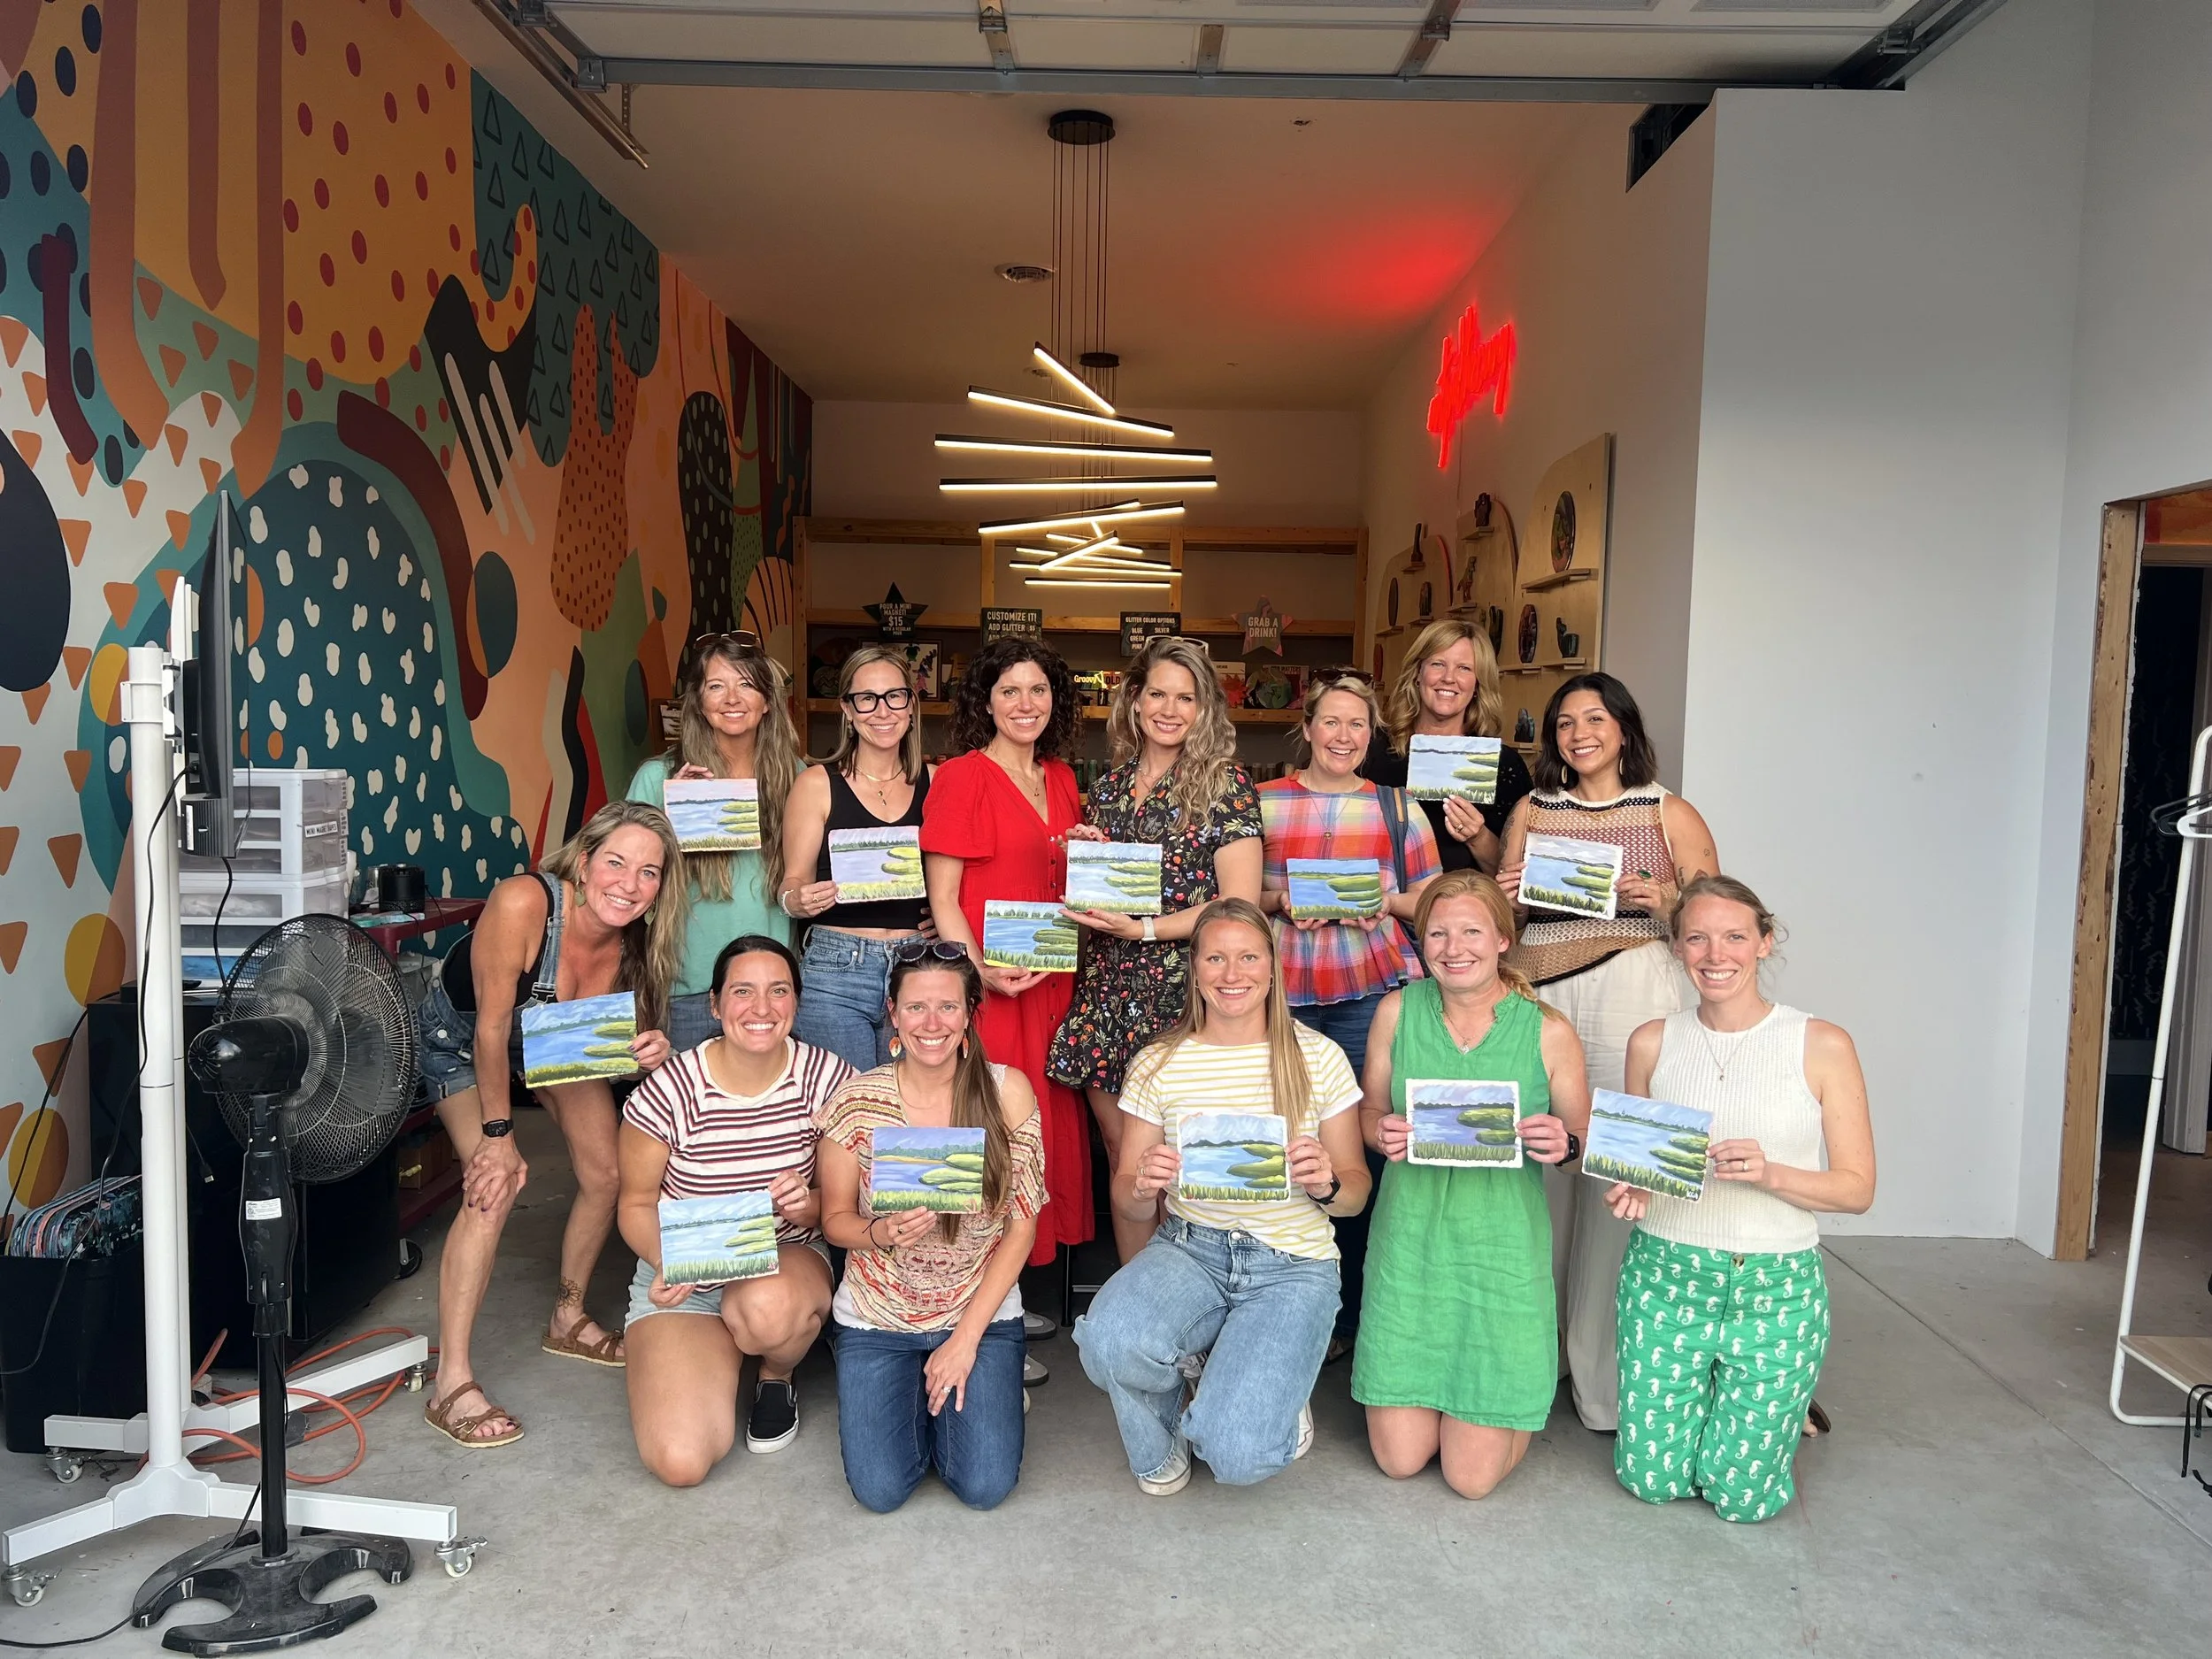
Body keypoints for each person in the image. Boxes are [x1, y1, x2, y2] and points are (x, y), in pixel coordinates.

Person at [1074, 899, 1371, 1494]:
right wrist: (1142, 1185)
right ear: (1195, 968)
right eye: (1215, 958)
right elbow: (1129, 1204)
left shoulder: (1318, 1056)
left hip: (1293, 1263)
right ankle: (1166, 1440)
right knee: (1108, 1342)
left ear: (1272, 968)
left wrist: (1327, 1183)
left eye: (1248, 957)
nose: (1231, 973)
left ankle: (1253, 1393)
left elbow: (1356, 1193)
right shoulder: (1158, 1062)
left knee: (1236, 1457)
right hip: (1191, 1249)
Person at [1604, 875, 1874, 1523]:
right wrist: (1635, 1184)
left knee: (1745, 1501)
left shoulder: (1822, 1043)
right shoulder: (1651, 1041)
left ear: (1764, 941)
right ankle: (1750, 1405)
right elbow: (1643, 1164)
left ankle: (1776, 1404)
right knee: (1650, 1480)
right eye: (1696, 938)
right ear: (1676, 947)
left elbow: (1857, 1189)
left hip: (1774, 1283)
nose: (1715, 954)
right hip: (1665, 1273)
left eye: (1734, 936)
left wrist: (1769, 1173)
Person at [414, 800, 683, 1447]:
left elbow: (606, 1041)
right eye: (616, 862)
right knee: (493, 1185)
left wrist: (650, 1049)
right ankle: (450, 1382)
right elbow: (490, 1029)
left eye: (648, 872)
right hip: (462, 1042)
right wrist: (498, 1138)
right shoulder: (524, 902)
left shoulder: (639, 936)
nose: (629, 884)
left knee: (608, 1174)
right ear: (584, 862)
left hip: (551, 1041)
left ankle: (568, 1317)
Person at [1497, 671, 1719, 1432]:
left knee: (1621, 1166)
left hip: (1635, 987)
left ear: (1624, 727)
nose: (1579, 734)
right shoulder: (1534, 807)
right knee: (1541, 1162)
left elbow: (1713, 917)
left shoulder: (1666, 809)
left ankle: (1608, 1379)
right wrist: (1510, 894)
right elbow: (1504, 918)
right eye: (1565, 722)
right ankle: (1535, 1359)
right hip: (1541, 991)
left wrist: (1665, 899)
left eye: (1595, 718)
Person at [1354, 871, 1591, 1499]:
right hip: (1412, 1245)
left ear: (1503, 939)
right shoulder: (1397, 1011)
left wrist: (1565, 1144)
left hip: (1499, 1251)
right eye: (1437, 933)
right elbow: (1368, 1111)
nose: (1453, 948)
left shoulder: (1547, 1029)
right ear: (1421, 941)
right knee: (1400, 1460)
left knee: (1469, 1478)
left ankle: (1517, 1384)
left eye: (1471, 932)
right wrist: (1381, 1131)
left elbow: (1581, 1146)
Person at [1048, 635, 1263, 1263]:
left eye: (1186, 698)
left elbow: (1238, 906)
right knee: (1127, 1162)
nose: (1170, 710)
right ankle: (1136, 1296)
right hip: (1108, 992)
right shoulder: (1109, 787)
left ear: (1205, 709)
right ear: (1135, 701)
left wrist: (1143, 928)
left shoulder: (1227, 784)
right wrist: (1086, 859)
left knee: (1177, 1166)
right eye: (1158, 694)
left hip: (1181, 994)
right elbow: (1100, 897)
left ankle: (1183, 1296)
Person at [815, 945, 1045, 1513]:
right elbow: (834, 1221)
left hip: (979, 1313)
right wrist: (881, 1232)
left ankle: (984, 1386)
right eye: (916, 1007)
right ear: (893, 1013)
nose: (932, 1023)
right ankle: (931, 1397)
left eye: (948, 1006)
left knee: (985, 1486)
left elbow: (1021, 1228)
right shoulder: (857, 1099)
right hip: (878, 1315)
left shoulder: (1007, 1091)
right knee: (880, 1491)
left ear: (969, 1014)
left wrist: (964, 1342)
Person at [617, 936, 854, 1486]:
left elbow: (846, 1201)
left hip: (782, 1259)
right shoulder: (669, 1089)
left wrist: (810, 1204)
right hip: (685, 1272)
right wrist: (669, 1261)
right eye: (743, 991)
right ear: (715, 1004)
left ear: (797, 1001)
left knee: (768, 1312)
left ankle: (776, 1373)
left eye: (779, 991)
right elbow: (634, 1203)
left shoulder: (827, 1078)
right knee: (680, 1462)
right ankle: (716, 1344)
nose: (762, 1008)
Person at [1257, 672, 1440, 1350]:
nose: (1343, 735)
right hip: (1282, 996)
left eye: (1357, 724)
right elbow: (1240, 894)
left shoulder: (1397, 807)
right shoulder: (1264, 802)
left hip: (1372, 995)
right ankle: (1285, 1299)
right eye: (1330, 722)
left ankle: (1357, 1309)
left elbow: (1432, 901)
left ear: (1372, 735)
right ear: (1307, 728)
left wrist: (1382, 900)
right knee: (1287, 1141)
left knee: (1367, 1147)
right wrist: (1284, 900)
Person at [919, 637, 1090, 1290]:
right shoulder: (962, 776)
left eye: (1038, 689)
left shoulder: (1062, 777)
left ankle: (1032, 1275)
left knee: (1048, 1119)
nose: (1026, 703)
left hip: (1054, 979)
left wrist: (1087, 850)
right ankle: (975, 1285)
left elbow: (1067, 881)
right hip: (992, 984)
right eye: (1009, 690)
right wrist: (978, 974)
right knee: (994, 1120)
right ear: (985, 702)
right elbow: (944, 897)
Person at [629, 632, 803, 1053]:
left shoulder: (798, 777)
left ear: (767, 701)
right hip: (687, 983)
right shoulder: (659, 777)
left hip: (772, 984)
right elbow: (625, 879)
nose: (732, 698)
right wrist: (674, 814)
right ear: (699, 702)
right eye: (716, 686)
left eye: (746, 684)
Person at [780, 645, 933, 1071]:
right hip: (836, 967)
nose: (882, 711)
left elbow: (955, 882)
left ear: (911, 705)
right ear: (847, 709)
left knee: (914, 1100)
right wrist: (796, 901)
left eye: (894, 696)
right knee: (844, 1100)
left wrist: (946, 919)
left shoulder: (937, 782)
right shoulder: (815, 783)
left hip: (919, 964)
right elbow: (791, 882)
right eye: (867, 698)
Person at [1362, 618, 1534, 876]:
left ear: (1477, 684)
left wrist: (1477, 836)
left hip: (1464, 900)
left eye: (1464, 668)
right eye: (1437, 664)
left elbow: (1518, 877)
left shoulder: (1503, 765)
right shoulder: (1369, 748)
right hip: (1381, 897)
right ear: (1417, 674)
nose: (1449, 678)